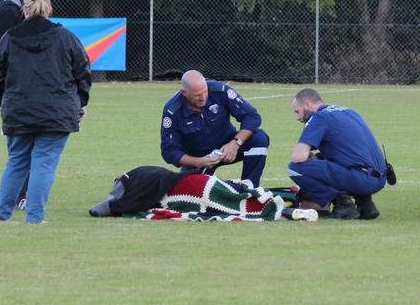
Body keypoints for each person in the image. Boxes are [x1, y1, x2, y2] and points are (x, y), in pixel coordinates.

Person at [0, 0, 90, 224]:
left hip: (18, 110)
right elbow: (83, 71)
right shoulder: (65, 37)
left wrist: (1, 101)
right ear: (49, 9)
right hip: (57, 111)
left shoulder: (10, 37)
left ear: (24, 9)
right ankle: (35, 217)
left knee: (16, 161)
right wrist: (81, 101)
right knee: (44, 164)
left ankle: (3, 215)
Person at [287, 88, 388, 220]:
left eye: (297, 111)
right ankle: (365, 204)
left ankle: (344, 206)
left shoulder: (318, 117)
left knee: (295, 169)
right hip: (380, 178)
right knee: (327, 157)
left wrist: (305, 153)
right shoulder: (349, 111)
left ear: (307, 104)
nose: (298, 118)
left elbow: (298, 157)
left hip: (363, 179)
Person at [159, 70, 269, 186]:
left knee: (259, 138)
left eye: (204, 92)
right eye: (197, 95)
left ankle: (249, 189)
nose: (203, 97)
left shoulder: (220, 90)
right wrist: (200, 162)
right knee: (191, 191)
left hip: (228, 145)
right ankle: (228, 189)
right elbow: (169, 151)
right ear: (184, 93)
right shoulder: (172, 110)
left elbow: (251, 116)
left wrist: (235, 143)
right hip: (199, 157)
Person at [0, 0, 44, 210]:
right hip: (17, 93)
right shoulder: (9, 12)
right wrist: (1, 96)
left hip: (30, 91)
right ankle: (20, 197)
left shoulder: (21, 11)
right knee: (21, 150)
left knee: (31, 146)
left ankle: (24, 195)